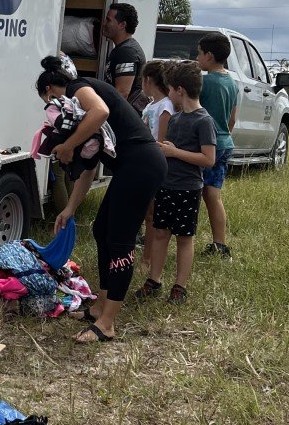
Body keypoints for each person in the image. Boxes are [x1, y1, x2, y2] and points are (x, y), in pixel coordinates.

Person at [37, 54, 167, 344]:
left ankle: (107, 323)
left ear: (50, 91)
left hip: (142, 165)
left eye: (49, 102)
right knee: (101, 230)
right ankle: (99, 307)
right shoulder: (82, 114)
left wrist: (68, 145)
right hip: (134, 167)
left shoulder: (76, 89)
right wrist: (69, 208)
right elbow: (90, 167)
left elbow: (102, 112)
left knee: (120, 240)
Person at [137, 61, 216, 304]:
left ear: (179, 90)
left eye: (170, 89)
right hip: (167, 185)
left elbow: (208, 159)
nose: (169, 94)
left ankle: (179, 286)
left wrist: (175, 153)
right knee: (160, 233)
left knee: (184, 237)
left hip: (188, 189)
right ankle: (154, 280)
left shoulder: (204, 121)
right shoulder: (176, 118)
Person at [197, 34, 238, 260]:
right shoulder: (231, 82)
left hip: (205, 146)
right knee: (213, 195)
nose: (196, 58)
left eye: (198, 53)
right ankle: (219, 244)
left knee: (191, 192)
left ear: (209, 56)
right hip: (224, 142)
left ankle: (182, 236)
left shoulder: (205, 82)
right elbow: (232, 118)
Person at [139, 60, 174, 272]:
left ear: (148, 80)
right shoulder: (151, 105)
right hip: (144, 162)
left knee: (152, 215)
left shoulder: (165, 106)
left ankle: (147, 258)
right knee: (145, 213)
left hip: (154, 165)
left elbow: (161, 140)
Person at [102, 3, 146, 109]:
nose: (104, 23)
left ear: (122, 25)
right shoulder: (122, 49)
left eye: (108, 20)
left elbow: (122, 93)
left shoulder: (127, 52)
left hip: (124, 117)